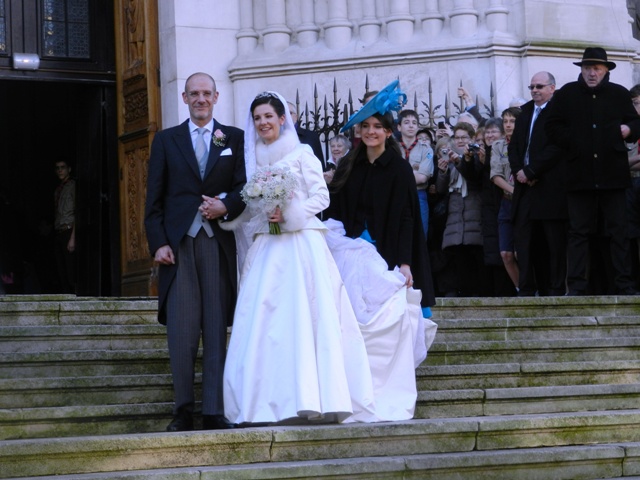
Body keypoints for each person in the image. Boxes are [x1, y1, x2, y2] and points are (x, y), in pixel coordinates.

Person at [219, 90, 434, 425]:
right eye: (366, 127)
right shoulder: (346, 164)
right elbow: (333, 201)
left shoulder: (310, 154)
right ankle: (268, 397)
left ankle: (365, 387)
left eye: (378, 126)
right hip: (316, 246)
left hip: (375, 249)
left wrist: (405, 262)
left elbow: (405, 217)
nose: (370, 132)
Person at [144, 72, 246, 432]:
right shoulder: (166, 140)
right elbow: (153, 199)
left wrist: (226, 206)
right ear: (185, 98)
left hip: (217, 243)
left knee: (217, 327)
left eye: (206, 93)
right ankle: (183, 410)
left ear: (216, 97)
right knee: (183, 331)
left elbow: (243, 188)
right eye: (194, 94)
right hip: (180, 246)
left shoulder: (233, 138)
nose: (201, 99)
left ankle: (214, 411)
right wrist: (158, 243)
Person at [545, 48, 640, 296]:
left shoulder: (619, 94)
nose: (591, 73)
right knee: (578, 233)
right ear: (581, 70)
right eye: (587, 68)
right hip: (579, 174)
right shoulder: (566, 94)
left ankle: (624, 284)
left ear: (606, 70)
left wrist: (628, 130)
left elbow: (636, 122)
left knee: (619, 232)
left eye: (597, 68)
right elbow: (551, 126)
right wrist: (574, 140)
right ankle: (576, 286)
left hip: (613, 175)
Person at [510, 71, 567, 296]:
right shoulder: (524, 112)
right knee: (525, 241)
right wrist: (520, 172)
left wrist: (532, 171)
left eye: (540, 86)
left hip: (549, 186)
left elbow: (557, 146)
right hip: (525, 188)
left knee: (553, 242)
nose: (534, 90)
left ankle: (554, 289)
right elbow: (514, 147)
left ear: (552, 88)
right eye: (532, 87)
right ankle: (526, 288)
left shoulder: (559, 112)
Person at [436, 122, 484, 297]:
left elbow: (474, 177)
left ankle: (475, 292)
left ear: (471, 139)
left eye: (464, 137)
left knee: (474, 250)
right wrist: (442, 172)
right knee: (456, 252)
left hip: (473, 205)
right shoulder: (450, 157)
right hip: (455, 207)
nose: (461, 140)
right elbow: (441, 189)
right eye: (457, 137)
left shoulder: (476, 155)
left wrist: (460, 161)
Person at [490, 109, 521, 290]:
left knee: (521, 252)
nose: (508, 125)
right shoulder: (498, 145)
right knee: (505, 253)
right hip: (508, 200)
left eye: (512, 121)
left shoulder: (527, 143)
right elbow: (495, 175)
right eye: (505, 121)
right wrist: (512, 190)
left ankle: (529, 286)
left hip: (524, 201)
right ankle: (520, 289)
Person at [397, 109, 434, 237]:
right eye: (406, 122)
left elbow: (422, 178)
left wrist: (398, 175)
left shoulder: (426, 149)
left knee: (420, 235)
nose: (411, 125)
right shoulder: (392, 148)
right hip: (396, 194)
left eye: (414, 122)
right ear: (399, 127)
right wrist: (412, 173)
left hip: (418, 195)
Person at [53, 159, 77, 294]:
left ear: (69, 169)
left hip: (69, 230)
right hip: (59, 231)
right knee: (61, 269)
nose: (60, 170)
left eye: (63, 167)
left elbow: (77, 212)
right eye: (57, 168)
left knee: (70, 269)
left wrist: (73, 237)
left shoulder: (72, 186)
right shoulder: (58, 190)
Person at [287, 100, 325, 166]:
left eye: (289, 113)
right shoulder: (274, 137)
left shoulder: (311, 136)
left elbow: (319, 163)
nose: (286, 115)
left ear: (296, 117)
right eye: (283, 113)